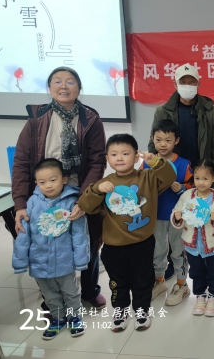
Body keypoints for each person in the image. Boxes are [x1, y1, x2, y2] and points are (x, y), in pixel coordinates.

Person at [12, 66, 107, 310]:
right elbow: (21, 162)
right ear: (49, 87)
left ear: (79, 88)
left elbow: (97, 161)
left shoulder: (91, 120)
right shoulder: (36, 120)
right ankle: (53, 298)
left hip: (79, 189)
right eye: (57, 81)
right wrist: (21, 203)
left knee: (88, 239)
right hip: (44, 193)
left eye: (70, 82)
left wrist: (84, 199)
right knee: (47, 243)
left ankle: (89, 290)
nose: (63, 86)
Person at [78, 134, 176, 332]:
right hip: (113, 247)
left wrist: (155, 162)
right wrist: (96, 189)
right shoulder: (105, 183)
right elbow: (85, 206)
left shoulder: (147, 177)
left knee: (142, 281)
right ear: (107, 159)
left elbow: (169, 177)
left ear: (136, 157)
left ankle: (142, 312)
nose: (120, 158)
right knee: (117, 283)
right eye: (114, 154)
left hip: (142, 243)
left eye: (125, 153)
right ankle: (120, 311)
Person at [12, 158, 89, 340]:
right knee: (49, 294)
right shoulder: (32, 203)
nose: (48, 185)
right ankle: (58, 318)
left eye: (53, 180)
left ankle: (74, 317)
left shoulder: (72, 203)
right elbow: (23, 235)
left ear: (64, 179)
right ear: (36, 183)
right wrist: (20, 261)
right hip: (39, 261)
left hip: (64, 261)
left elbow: (79, 234)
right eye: (42, 182)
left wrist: (81, 259)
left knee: (70, 291)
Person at [141, 119, 193, 306]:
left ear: (176, 141)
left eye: (168, 140)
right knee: (157, 250)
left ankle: (181, 284)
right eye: (158, 140)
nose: (163, 144)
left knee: (178, 251)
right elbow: (140, 186)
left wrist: (182, 188)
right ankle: (159, 281)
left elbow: (194, 189)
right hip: (155, 216)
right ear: (152, 139)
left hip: (178, 217)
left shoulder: (184, 164)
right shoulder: (146, 163)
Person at [149, 63, 214, 188]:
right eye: (183, 82)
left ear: (198, 84)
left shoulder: (213, 113)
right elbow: (154, 144)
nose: (187, 86)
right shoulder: (162, 112)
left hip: (202, 177)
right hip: (173, 175)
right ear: (175, 84)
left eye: (191, 82)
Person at [171, 159, 214, 317]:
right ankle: (200, 296)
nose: (201, 182)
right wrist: (177, 216)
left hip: (213, 246)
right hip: (192, 247)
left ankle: (213, 297)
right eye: (197, 178)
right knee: (196, 272)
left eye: (205, 178)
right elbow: (177, 213)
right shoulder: (187, 196)